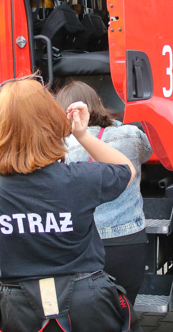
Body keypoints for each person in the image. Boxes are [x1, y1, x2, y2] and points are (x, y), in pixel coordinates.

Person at [0, 75, 141, 332]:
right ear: (50, 122)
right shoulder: (78, 179)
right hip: (88, 306)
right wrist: (82, 134)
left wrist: (5, 308)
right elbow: (125, 170)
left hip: (21, 311)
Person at [55, 81, 152, 304]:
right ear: (98, 104)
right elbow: (146, 154)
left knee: (86, 317)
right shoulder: (130, 134)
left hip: (80, 245)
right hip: (128, 240)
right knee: (124, 312)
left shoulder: (59, 145)